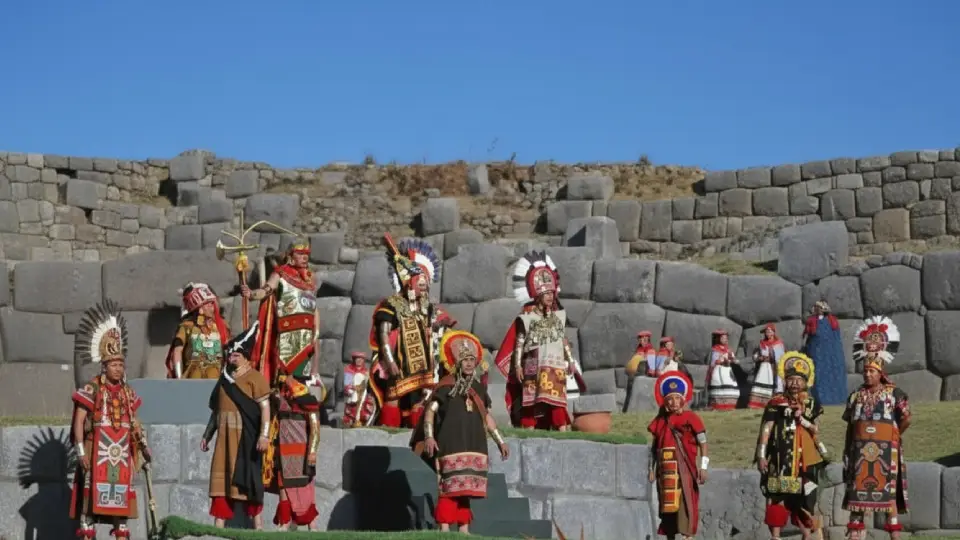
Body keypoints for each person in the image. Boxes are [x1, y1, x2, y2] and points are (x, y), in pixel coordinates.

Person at [409, 330, 510, 534]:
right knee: (448, 488)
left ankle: (464, 529)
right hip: (450, 443)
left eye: (472, 359)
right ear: (456, 362)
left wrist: (500, 441)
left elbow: (487, 417)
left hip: (474, 444)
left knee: (465, 489)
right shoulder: (446, 386)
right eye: (465, 360)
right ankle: (444, 528)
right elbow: (430, 411)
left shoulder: (479, 389)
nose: (469, 363)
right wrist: (429, 436)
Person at [70, 301, 150, 539]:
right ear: (104, 366)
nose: (118, 368)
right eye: (114, 364)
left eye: (121, 364)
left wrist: (144, 447)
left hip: (121, 454)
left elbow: (134, 421)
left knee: (121, 503)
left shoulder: (127, 392)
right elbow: (79, 420)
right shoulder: (92, 388)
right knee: (90, 504)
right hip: (96, 451)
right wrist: (81, 451)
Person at [364, 235, 454, 428]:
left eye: (425, 282)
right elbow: (384, 335)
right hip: (399, 360)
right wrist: (389, 361)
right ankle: (389, 432)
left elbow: (442, 330)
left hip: (423, 363)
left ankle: (416, 435)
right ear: (409, 282)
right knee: (393, 396)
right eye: (419, 281)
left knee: (418, 400)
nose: (424, 285)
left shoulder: (429, 307)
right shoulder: (392, 304)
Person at [495, 250, 585, 431]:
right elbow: (519, 342)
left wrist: (569, 360)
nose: (551, 297)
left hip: (555, 365)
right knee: (531, 402)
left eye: (552, 293)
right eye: (546, 294)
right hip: (532, 364)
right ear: (538, 295)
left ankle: (562, 433)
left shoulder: (558, 316)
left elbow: (562, 340)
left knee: (557, 403)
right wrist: (518, 366)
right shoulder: (527, 316)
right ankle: (528, 430)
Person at [842, 316, 910, 540]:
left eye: (871, 371)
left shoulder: (894, 393)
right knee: (857, 499)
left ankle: (894, 537)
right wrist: (846, 451)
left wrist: (895, 433)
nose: (867, 373)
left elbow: (907, 417)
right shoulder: (855, 396)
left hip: (886, 451)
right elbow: (850, 426)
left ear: (880, 372)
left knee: (888, 498)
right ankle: (855, 536)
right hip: (859, 452)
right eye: (865, 370)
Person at [201, 321, 272, 530]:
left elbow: (265, 408)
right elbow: (216, 411)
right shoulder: (223, 380)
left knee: (250, 481)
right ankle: (218, 525)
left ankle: (258, 526)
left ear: (245, 356)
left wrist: (264, 435)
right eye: (230, 354)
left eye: (235, 354)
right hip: (224, 439)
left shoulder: (255, 378)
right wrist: (207, 435)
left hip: (246, 440)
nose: (231, 357)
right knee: (221, 485)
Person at [756, 351, 829, 540]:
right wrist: (761, 455)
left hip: (806, 461)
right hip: (780, 460)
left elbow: (815, 429)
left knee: (805, 502)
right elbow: (767, 429)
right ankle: (775, 537)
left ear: (806, 381)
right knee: (776, 500)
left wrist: (801, 417)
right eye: (791, 379)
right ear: (784, 380)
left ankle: (810, 535)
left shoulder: (812, 403)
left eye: (799, 379)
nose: (795, 383)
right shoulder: (775, 402)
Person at [243, 238, 324, 391]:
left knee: (304, 378)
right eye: (300, 253)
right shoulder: (280, 274)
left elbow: (314, 308)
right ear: (291, 256)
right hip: (288, 334)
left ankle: (299, 408)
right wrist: (251, 294)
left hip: (306, 334)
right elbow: (266, 290)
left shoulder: (310, 280)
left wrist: (316, 332)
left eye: (306, 253)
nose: (305, 257)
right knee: (286, 377)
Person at [647, 371, 708, 540]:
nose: (673, 402)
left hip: (684, 470)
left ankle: (688, 536)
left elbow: (703, 442)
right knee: (667, 510)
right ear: (665, 401)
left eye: (677, 398)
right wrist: (651, 469)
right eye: (670, 399)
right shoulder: (659, 421)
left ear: (683, 399)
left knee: (685, 505)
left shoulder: (691, 418)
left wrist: (703, 466)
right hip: (664, 472)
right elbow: (654, 447)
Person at [264, 367, 322, 531]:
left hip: (302, 451)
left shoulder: (308, 400)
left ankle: (312, 524)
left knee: (306, 487)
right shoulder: (279, 397)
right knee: (283, 485)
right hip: (283, 449)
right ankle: (285, 522)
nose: (285, 380)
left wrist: (312, 451)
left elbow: (315, 429)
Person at [166, 282, 231, 379]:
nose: (212, 306)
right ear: (200, 309)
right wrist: (179, 379)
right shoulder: (187, 326)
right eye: (207, 304)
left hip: (216, 378)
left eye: (212, 303)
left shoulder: (221, 326)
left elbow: (228, 351)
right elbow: (177, 351)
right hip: (193, 378)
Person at [802, 300, 847, 406]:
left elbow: (835, 338)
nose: (818, 309)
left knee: (832, 375)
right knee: (817, 376)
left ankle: (835, 399)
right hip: (816, 353)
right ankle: (818, 399)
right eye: (817, 307)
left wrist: (835, 352)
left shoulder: (832, 321)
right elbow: (809, 338)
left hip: (830, 353)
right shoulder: (812, 321)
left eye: (820, 307)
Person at [749, 323, 785, 409]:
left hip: (775, 367)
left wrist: (772, 357)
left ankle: (776, 402)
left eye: (769, 331)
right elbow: (755, 356)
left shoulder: (778, 343)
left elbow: (781, 357)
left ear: (773, 332)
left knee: (777, 383)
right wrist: (759, 358)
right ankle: (762, 403)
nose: (768, 333)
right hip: (765, 367)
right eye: (766, 332)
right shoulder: (762, 343)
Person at [706, 329, 740, 410]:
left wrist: (734, 360)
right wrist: (721, 360)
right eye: (723, 338)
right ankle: (718, 405)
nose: (725, 339)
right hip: (718, 371)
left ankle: (729, 405)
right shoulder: (715, 349)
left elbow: (733, 358)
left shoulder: (728, 349)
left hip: (727, 371)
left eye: (726, 338)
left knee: (732, 387)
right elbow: (713, 362)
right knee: (720, 387)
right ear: (718, 339)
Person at [342, 351, 374, 427]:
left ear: (363, 360)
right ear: (354, 360)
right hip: (353, 395)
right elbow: (347, 385)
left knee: (364, 411)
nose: (359, 361)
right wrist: (351, 390)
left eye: (361, 359)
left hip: (364, 395)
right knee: (351, 410)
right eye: (357, 359)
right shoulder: (349, 370)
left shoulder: (366, 372)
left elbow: (369, 385)